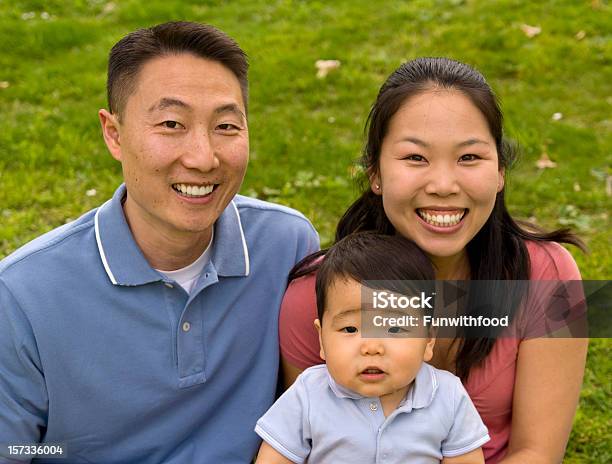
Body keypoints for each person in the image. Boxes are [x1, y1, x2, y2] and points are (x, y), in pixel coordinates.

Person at [0, 22, 318, 463]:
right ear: (114, 134)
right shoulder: (21, 295)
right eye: (171, 124)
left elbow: (368, 364)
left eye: (226, 125)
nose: (203, 158)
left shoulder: (287, 245)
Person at [279, 57, 587, 463]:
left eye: (469, 158)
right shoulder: (315, 296)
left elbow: (537, 453)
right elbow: (301, 439)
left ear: (500, 173)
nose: (443, 185)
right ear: (375, 173)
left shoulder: (549, 277)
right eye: (415, 158)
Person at [256, 233, 489, 464]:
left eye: (395, 329)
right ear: (322, 339)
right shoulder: (308, 394)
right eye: (349, 329)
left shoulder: (447, 395)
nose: (371, 347)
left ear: (428, 340)